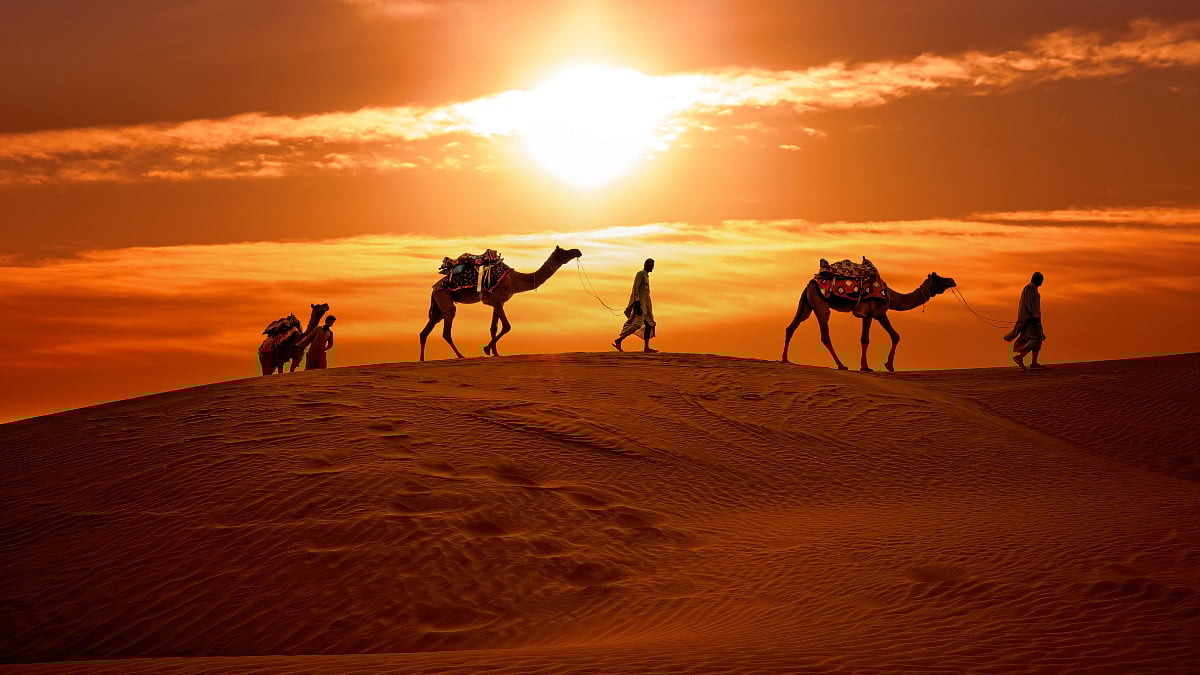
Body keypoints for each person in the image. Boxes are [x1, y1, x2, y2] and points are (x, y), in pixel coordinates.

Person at [1003, 272, 1046, 370]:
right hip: (1031, 318)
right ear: (1037, 279)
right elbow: (1028, 303)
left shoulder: (1033, 289)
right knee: (1035, 339)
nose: (1041, 282)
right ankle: (1020, 357)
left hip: (1033, 317)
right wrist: (1034, 315)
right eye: (1041, 280)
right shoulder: (1030, 288)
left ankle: (1034, 363)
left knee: (1038, 339)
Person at [613, 258, 657, 353]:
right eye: (651, 265)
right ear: (646, 265)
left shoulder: (647, 276)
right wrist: (636, 302)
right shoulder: (640, 274)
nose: (652, 267)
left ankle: (646, 347)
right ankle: (619, 340)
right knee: (636, 325)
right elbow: (635, 287)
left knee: (649, 324)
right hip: (639, 305)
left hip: (647, 306)